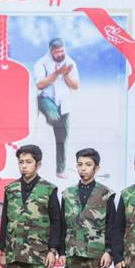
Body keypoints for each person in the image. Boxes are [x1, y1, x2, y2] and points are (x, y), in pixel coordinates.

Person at [34, 37, 80, 179]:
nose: (60, 54)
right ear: (51, 51)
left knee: (62, 138)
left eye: (62, 51)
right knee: (54, 118)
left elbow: (75, 86)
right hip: (46, 99)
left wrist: (65, 75)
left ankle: (61, 170)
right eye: (57, 52)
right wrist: (56, 73)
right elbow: (40, 85)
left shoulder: (70, 63)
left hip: (63, 103)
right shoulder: (42, 63)